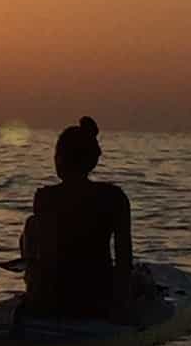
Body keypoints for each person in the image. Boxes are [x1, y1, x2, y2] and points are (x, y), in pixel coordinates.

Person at [19, 117, 134, 318]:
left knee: (32, 224)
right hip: (97, 296)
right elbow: (124, 259)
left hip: (52, 299)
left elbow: (44, 256)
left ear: (60, 159)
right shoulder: (114, 197)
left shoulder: (45, 198)